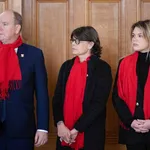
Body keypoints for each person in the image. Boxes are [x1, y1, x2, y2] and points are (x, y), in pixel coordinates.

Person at [52, 26, 112, 150]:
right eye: (72, 40)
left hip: (90, 134)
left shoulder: (102, 68)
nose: (73, 44)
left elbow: (98, 103)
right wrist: (60, 124)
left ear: (90, 44)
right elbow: (57, 98)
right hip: (64, 133)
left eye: (78, 41)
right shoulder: (66, 66)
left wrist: (76, 129)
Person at [0, 10, 49, 150]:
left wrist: (42, 127)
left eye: (4, 24)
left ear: (17, 28)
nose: (0, 28)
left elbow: (42, 94)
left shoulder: (34, 54)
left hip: (21, 130)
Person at [112, 20, 150, 150]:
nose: (134, 39)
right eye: (133, 35)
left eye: (140, 35)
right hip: (133, 130)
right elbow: (117, 97)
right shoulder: (124, 63)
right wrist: (131, 122)